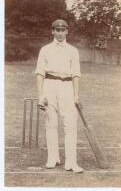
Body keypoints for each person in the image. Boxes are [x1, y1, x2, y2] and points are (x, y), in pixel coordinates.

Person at [35, 19, 84, 173]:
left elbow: (76, 74)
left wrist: (76, 95)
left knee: (70, 124)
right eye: (58, 30)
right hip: (49, 85)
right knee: (51, 123)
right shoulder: (45, 50)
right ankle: (53, 158)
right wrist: (40, 95)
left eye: (63, 30)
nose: (61, 33)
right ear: (53, 31)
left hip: (67, 87)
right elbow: (39, 73)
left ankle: (71, 163)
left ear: (67, 31)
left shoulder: (73, 51)